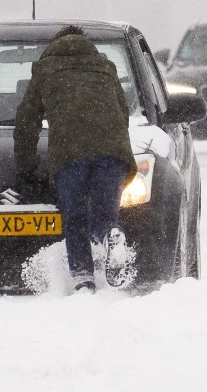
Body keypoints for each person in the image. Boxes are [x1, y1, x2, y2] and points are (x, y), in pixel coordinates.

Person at [14, 25, 137, 293]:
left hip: (71, 154)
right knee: (104, 215)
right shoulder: (105, 67)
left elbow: (27, 121)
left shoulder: (45, 69)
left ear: (56, 44)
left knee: (75, 217)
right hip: (112, 152)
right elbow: (122, 112)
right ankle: (109, 235)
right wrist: (110, 143)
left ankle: (83, 278)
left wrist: (25, 167)